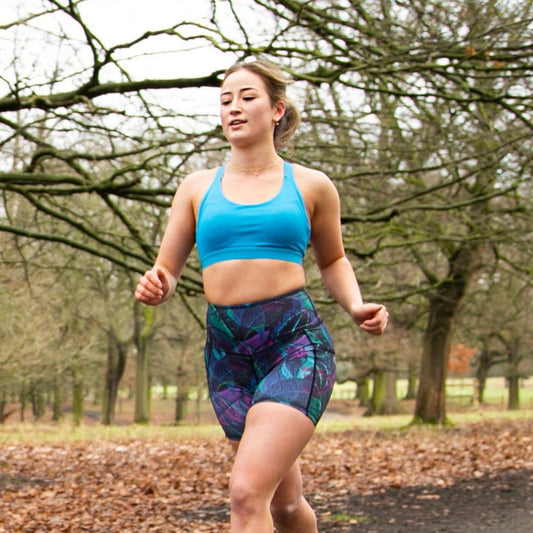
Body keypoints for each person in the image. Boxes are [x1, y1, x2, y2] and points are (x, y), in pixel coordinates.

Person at [134, 58, 389, 533]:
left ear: (276, 110)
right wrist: (157, 285)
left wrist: (356, 306)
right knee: (285, 507)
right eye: (225, 100)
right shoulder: (196, 188)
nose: (233, 108)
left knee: (247, 494)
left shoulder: (312, 185)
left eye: (247, 97)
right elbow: (166, 270)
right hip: (228, 354)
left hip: (294, 345)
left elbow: (333, 260)